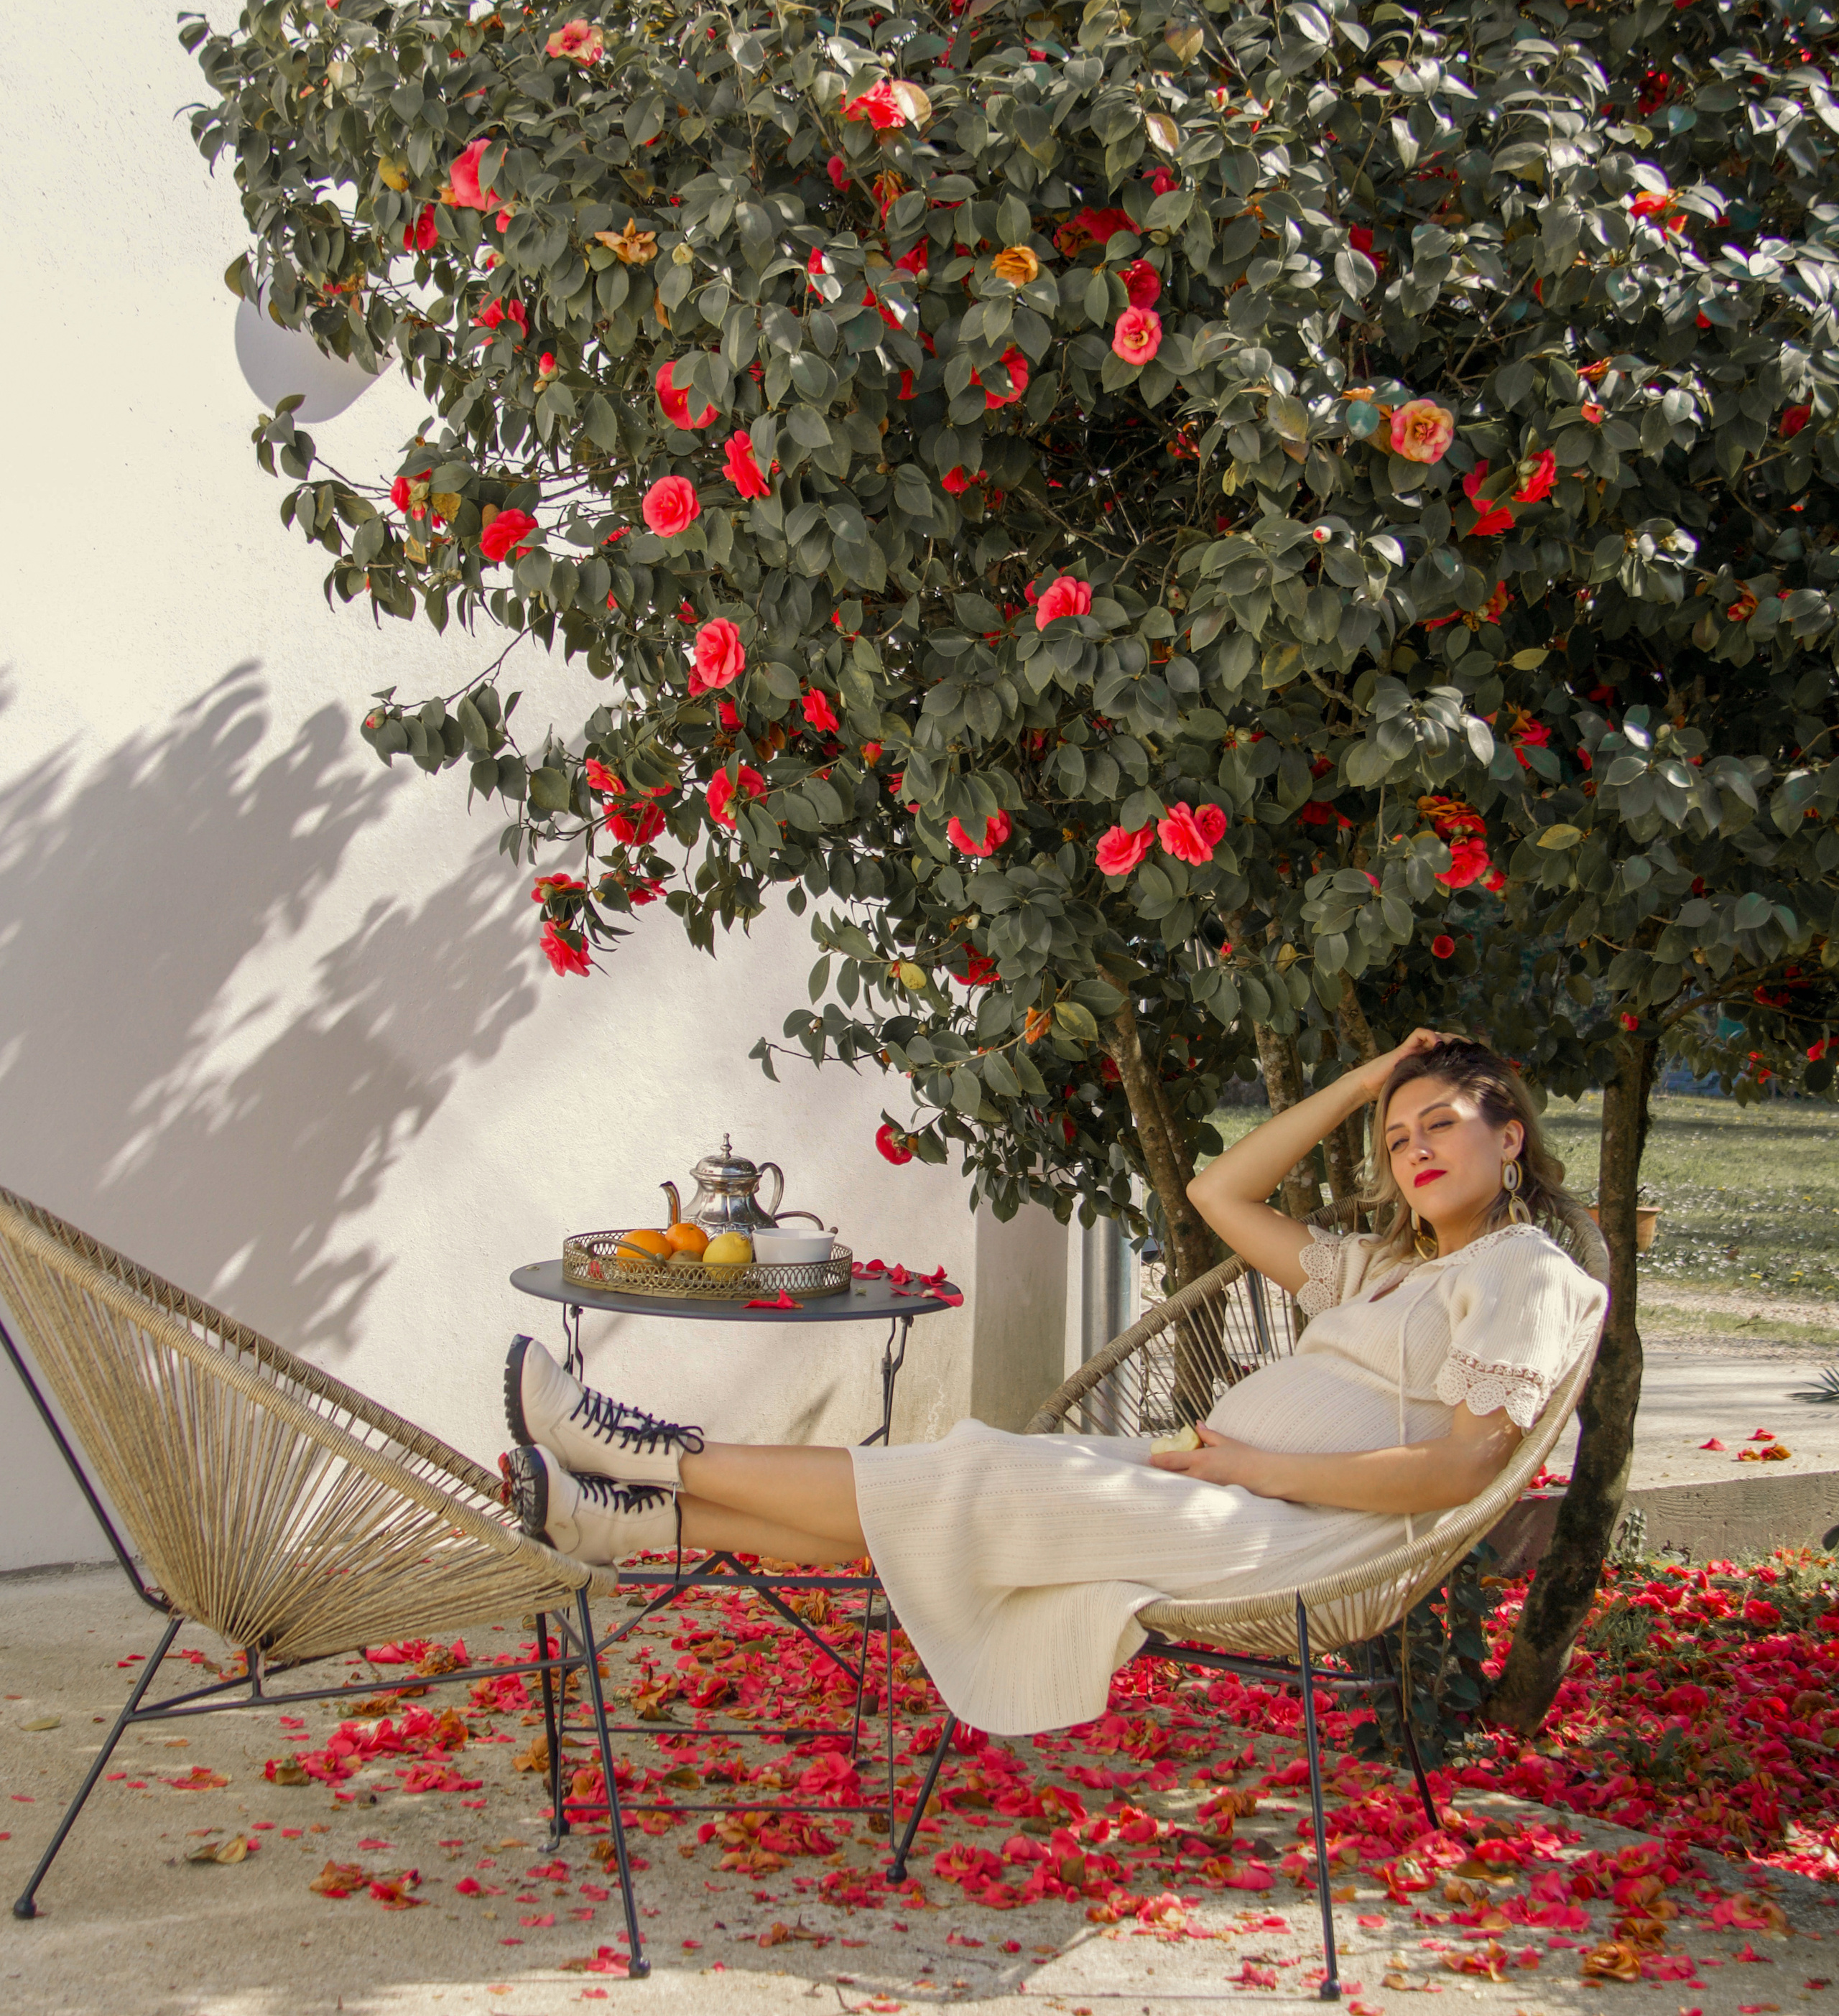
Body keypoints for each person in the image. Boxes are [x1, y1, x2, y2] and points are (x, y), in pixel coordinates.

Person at [499, 1031, 1607, 1737]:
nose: (1413, 1147)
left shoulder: (1524, 1271)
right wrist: (1368, 1079)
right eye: (1396, 1134)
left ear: (1510, 1137)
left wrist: (1261, 1467)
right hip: (1223, 1487)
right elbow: (1224, 1192)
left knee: (971, 1482)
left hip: (1300, 1534)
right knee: (953, 1473)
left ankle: (648, 1453)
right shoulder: (1385, 1267)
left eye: (1442, 1125)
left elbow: (1462, 1465)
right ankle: (625, 1524)